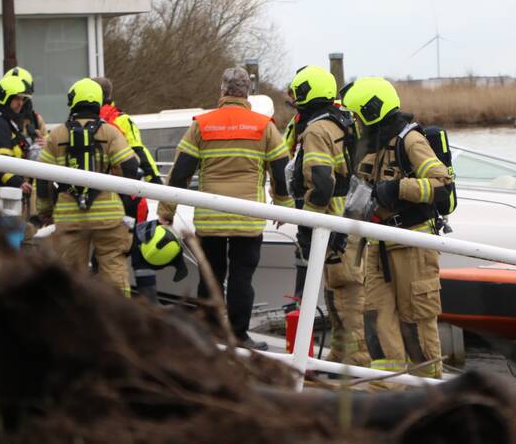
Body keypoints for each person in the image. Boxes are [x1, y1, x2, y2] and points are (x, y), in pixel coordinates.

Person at [156, 67, 292, 348]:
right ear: (248, 93)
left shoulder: (202, 125)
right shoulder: (264, 126)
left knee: (212, 276)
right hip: (248, 218)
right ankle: (240, 336)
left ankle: (209, 333)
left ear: (222, 91)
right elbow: (280, 170)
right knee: (243, 277)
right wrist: (282, 205)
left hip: (211, 216)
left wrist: (166, 211)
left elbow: (180, 173)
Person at [341, 77, 453, 378]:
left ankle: (429, 398)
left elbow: (442, 186)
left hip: (412, 246)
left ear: (371, 111)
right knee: (376, 320)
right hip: (378, 245)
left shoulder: (410, 140)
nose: (354, 122)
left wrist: (399, 188)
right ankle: (385, 390)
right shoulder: (373, 145)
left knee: (416, 324)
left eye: (356, 115)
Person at [286, 65, 368, 367]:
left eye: (297, 93)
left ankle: (354, 361)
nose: (294, 100)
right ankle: (340, 357)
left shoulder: (318, 130)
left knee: (346, 294)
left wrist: (308, 224)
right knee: (338, 292)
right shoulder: (342, 122)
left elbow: (322, 182)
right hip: (347, 218)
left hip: (332, 222)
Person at [36, 78, 140, 295]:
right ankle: (120, 320)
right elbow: (131, 166)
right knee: (114, 270)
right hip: (108, 214)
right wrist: (121, 198)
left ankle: (77, 324)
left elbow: (42, 178)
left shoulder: (56, 135)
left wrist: (45, 210)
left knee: (71, 277)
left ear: (73, 101)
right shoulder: (110, 132)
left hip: (69, 215)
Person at [92, 76, 163, 221]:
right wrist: (156, 182)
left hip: (89, 193)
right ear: (109, 94)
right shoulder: (121, 120)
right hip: (121, 191)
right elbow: (138, 151)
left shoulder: (77, 122)